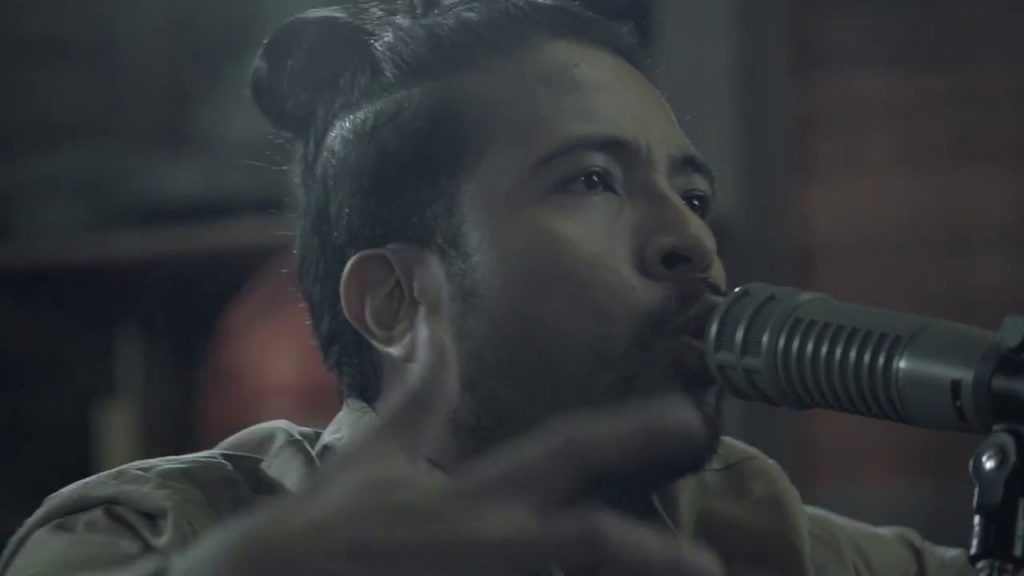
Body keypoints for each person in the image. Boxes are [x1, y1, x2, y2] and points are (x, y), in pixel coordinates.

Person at [0, 2, 973, 575]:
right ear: (393, 302)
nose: (690, 240)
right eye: (590, 181)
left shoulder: (745, 524)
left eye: (693, 194)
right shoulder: (154, 528)